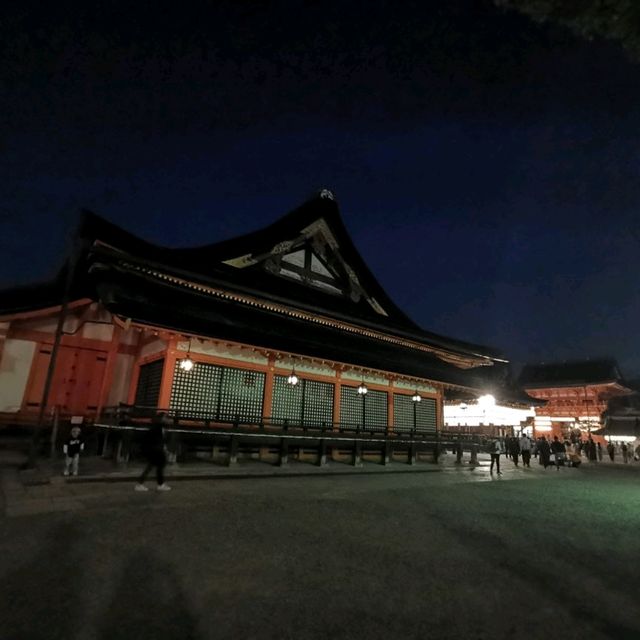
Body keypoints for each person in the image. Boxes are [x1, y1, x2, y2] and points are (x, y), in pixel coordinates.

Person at [135, 412, 171, 492]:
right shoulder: (158, 427)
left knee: (152, 466)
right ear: (161, 419)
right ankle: (160, 484)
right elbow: (157, 440)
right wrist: (162, 449)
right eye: (166, 417)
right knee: (159, 466)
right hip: (153, 449)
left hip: (152, 449)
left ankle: (141, 484)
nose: (168, 419)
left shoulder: (158, 427)